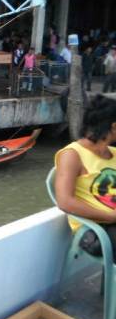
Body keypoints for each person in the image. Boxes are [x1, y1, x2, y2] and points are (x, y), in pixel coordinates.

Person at [54, 95, 116, 262]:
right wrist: (110, 216)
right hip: (95, 229)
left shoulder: (114, 153)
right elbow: (65, 201)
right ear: (114, 127)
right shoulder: (73, 154)